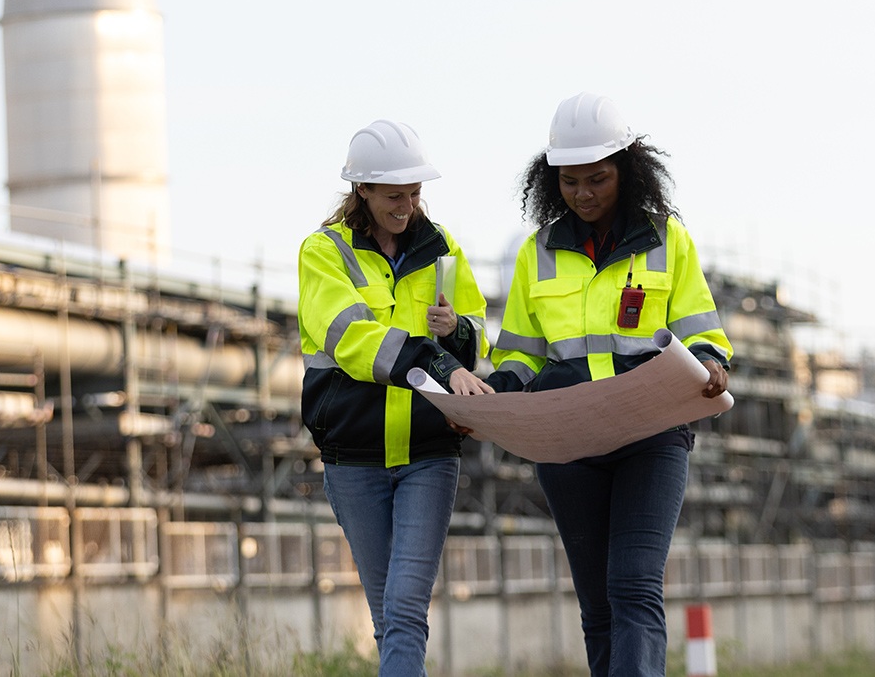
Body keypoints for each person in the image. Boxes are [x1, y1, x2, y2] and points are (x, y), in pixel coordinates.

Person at [488, 92, 732, 677]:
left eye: (597, 178)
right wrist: (491, 393)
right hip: (567, 440)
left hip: (651, 433)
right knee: (598, 604)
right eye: (569, 182)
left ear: (627, 169)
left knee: (634, 586)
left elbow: (701, 327)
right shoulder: (536, 252)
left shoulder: (668, 240)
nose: (584, 193)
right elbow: (521, 351)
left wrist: (708, 359)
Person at [298, 119, 493, 677]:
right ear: (362, 190)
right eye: (393, 196)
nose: (406, 206)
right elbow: (351, 338)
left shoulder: (443, 249)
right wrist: (433, 358)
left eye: (413, 194)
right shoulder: (324, 252)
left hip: (428, 453)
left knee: (406, 608)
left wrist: (456, 331)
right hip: (354, 459)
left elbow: (474, 339)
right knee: (388, 616)